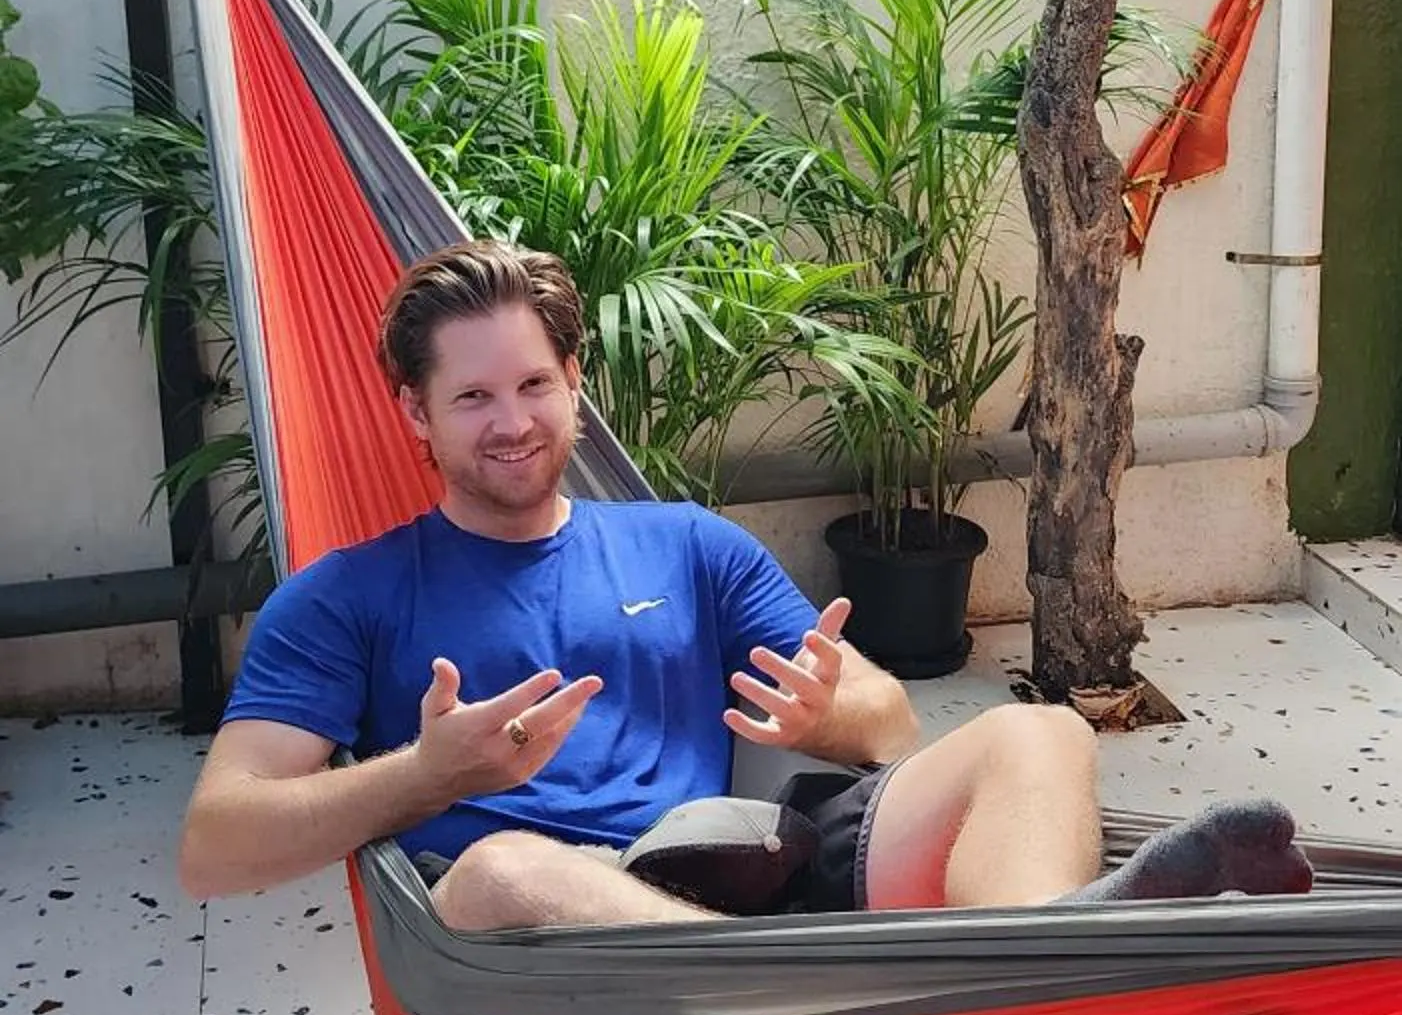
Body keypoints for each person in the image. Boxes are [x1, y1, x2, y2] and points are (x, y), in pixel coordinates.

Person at [180, 242, 1311, 928]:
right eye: (472, 398)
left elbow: (891, 723)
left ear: (576, 385)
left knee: (1044, 739)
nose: (513, 421)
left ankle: (1041, 959)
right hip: (545, 935)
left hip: (746, 868)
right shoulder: (346, 596)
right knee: (502, 868)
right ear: (413, 413)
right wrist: (423, 777)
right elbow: (217, 844)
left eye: (534, 383)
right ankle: (785, 997)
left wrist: (828, 713)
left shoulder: (688, 546)